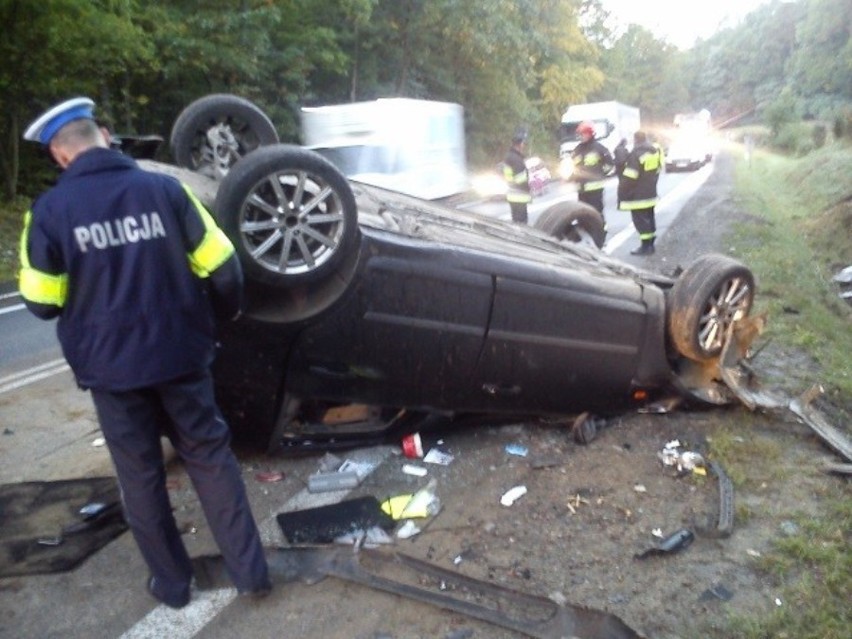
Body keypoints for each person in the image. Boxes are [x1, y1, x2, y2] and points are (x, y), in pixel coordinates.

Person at [18, 97, 271, 608]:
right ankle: (250, 573)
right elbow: (224, 268)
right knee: (209, 458)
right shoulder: (165, 190)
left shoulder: (48, 213)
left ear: (60, 156)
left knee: (139, 477)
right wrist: (220, 318)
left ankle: (174, 586)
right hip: (181, 355)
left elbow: (41, 303)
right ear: (106, 136)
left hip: (112, 372)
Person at [618, 130, 663, 256]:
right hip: (650, 192)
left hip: (638, 195)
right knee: (649, 218)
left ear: (636, 139)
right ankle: (651, 244)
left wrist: (623, 189)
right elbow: (658, 169)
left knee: (640, 221)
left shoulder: (636, 154)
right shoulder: (654, 151)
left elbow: (631, 175)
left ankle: (645, 246)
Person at [570, 121, 614, 224]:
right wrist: (572, 177)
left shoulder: (599, 148)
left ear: (590, 133)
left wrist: (600, 174)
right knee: (583, 213)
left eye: (583, 134)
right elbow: (573, 166)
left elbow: (610, 164)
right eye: (580, 134)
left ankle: (601, 230)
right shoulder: (577, 150)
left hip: (595, 188)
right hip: (581, 188)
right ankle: (586, 231)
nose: (581, 136)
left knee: (596, 212)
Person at [502, 130, 532, 224]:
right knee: (522, 225)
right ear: (520, 144)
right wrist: (530, 179)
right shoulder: (517, 159)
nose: (524, 145)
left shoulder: (509, 156)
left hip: (512, 195)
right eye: (523, 143)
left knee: (516, 223)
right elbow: (520, 178)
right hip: (520, 196)